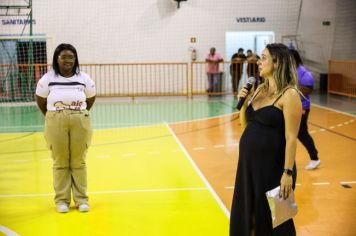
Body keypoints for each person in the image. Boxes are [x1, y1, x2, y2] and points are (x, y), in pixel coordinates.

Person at [230, 43, 302, 235]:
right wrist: (244, 103)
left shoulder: (289, 95)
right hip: (249, 167)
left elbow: (291, 137)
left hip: (274, 168)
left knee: (279, 221)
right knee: (251, 215)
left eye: (263, 58)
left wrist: (287, 172)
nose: (258, 62)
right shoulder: (259, 89)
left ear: (277, 63)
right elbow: (246, 125)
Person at [35, 43, 96, 213]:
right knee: (60, 162)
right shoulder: (48, 78)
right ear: (57, 59)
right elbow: (40, 100)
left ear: (75, 59)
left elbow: (90, 99)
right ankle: (62, 201)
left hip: (79, 120)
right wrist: (54, 115)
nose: (68, 60)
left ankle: (82, 199)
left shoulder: (84, 78)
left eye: (71, 57)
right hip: (55, 120)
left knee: (78, 161)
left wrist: (77, 114)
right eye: (64, 57)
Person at [289, 49, 320, 170]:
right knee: (285, 134)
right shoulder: (288, 71)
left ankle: (315, 158)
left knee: (302, 133)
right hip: (290, 107)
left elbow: (307, 89)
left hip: (301, 108)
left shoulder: (303, 73)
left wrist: (292, 89)